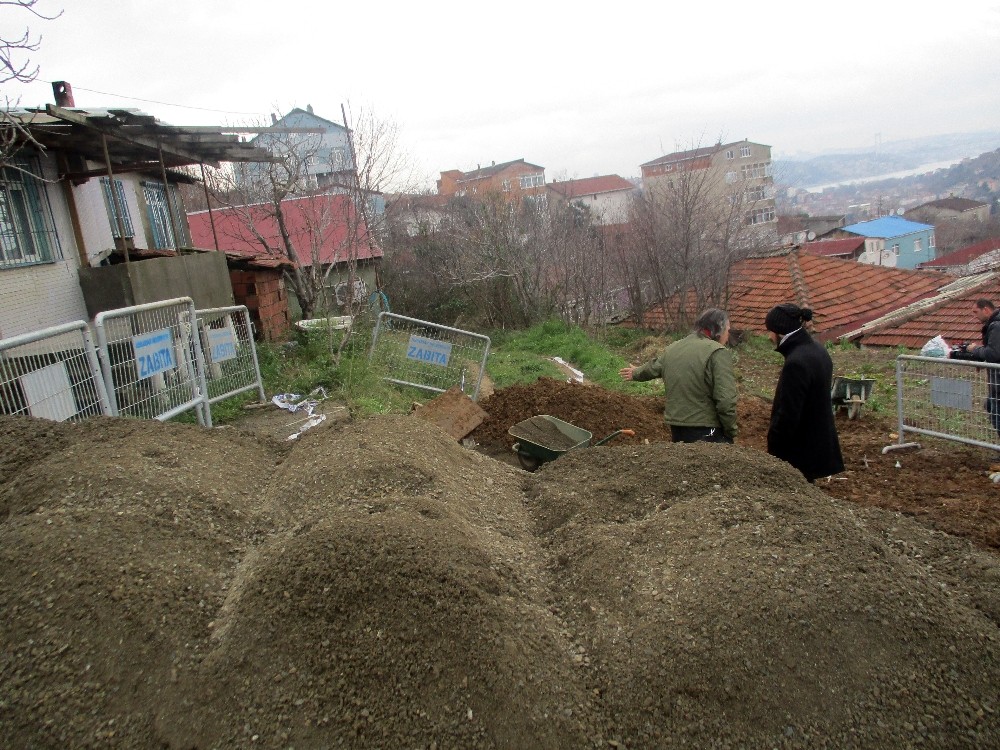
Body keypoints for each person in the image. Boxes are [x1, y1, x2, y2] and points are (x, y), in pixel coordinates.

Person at [619, 308, 737, 443]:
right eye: (728, 330)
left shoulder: (674, 347)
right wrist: (730, 431)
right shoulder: (718, 353)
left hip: (677, 427)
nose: (728, 336)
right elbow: (725, 400)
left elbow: (654, 366)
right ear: (719, 329)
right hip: (708, 428)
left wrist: (636, 373)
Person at [764, 303, 844, 482]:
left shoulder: (796, 362)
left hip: (799, 452)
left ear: (779, 331)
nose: (769, 336)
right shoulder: (818, 350)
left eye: (770, 331)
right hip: (816, 445)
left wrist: (774, 448)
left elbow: (789, 413)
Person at [949, 298, 1000, 435]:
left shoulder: (996, 326)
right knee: (990, 406)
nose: (974, 316)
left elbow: (994, 353)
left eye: (975, 312)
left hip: (998, 381)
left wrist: (974, 349)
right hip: (996, 381)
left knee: (995, 412)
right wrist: (981, 360)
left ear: (986, 309)